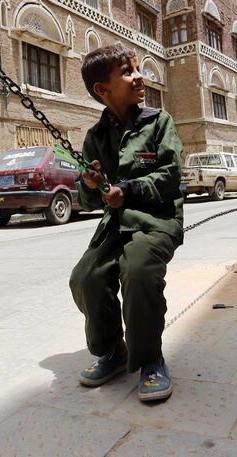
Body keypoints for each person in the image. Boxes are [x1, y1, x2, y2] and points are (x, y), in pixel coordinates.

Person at [69, 44, 183, 402]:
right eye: (128, 72)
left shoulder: (158, 122)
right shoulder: (95, 138)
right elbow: (89, 200)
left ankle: (150, 359)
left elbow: (171, 175)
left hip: (156, 221)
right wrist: (89, 185)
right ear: (103, 90)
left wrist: (129, 189)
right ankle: (114, 351)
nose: (139, 77)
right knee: (86, 277)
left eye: (138, 69)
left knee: (137, 270)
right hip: (114, 226)